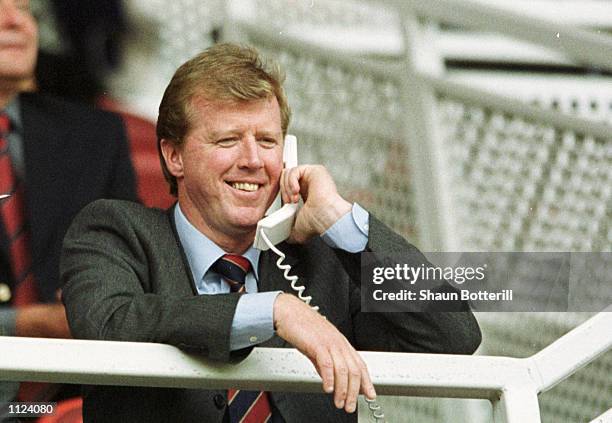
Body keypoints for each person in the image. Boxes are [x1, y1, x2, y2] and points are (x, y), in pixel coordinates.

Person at [60, 43, 481, 422]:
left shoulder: (325, 261)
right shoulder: (116, 232)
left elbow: (452, 335)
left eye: (267, 140)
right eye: (227, 140)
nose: (253, 160)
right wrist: (274, 310)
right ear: (174, 156)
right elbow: (108, 322)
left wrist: (339, 219)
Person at [0, 0, 137, 405]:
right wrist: (23, 324)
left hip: (73, 397)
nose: (17, 22)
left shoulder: (97, 136)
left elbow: (132, 270)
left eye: (27, 11)